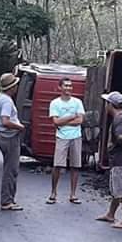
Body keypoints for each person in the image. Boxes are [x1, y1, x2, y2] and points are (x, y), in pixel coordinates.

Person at [47, 77, 84, 205]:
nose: (68, 88)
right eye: (66, 86)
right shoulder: (55, 103)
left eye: (70, 86)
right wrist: (72, 116)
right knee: (57, 165)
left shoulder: (78, 102)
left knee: (75, 166)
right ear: (60, 87)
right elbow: (55, 122)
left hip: (76, 136)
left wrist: (64, 121)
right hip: (61, 137)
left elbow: (80, 121)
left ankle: (73, 194)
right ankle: (53, 192)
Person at [95, 91, 122, 229]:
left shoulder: (119, 120)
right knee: (118, 187)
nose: (106, 106)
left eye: (107, 103)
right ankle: (111, 214)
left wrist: (117, 146)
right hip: (119, 159)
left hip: (120, 159)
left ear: (111, 105)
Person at [0, 73, 25, 211]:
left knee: (9, 168)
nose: (17, 87)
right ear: (12, 87)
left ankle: (8, 199)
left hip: (2, 137)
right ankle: (7, 201)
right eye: (16, 85)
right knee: (10, 171)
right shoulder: (7, 101)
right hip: (10, 138)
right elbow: (6, 121)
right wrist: (20, 127)